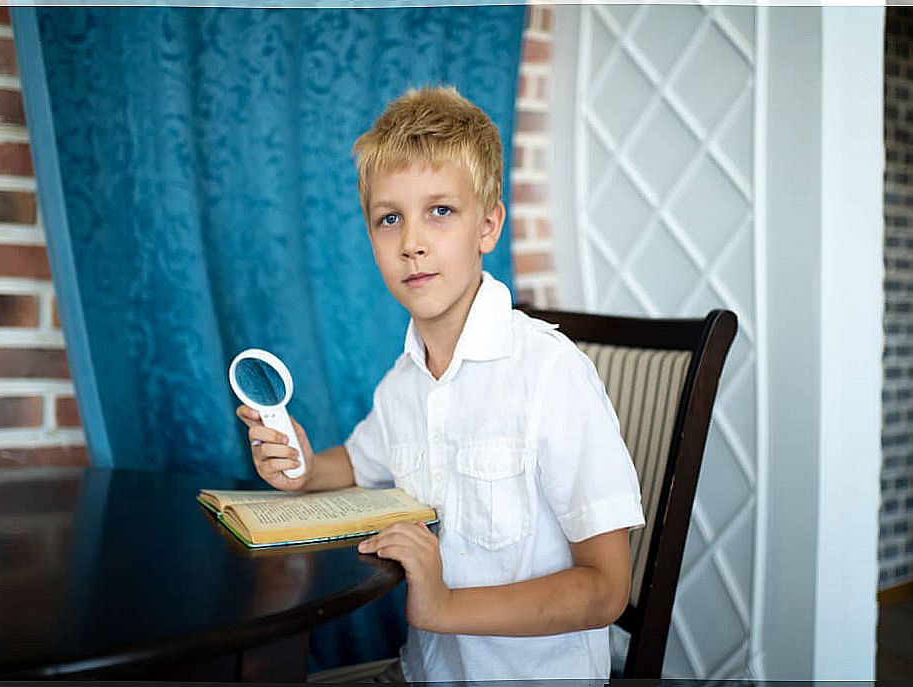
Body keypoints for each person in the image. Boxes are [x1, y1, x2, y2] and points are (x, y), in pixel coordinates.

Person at [236, 86, 645, 682]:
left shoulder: (550, 374)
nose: (412, 242)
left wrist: (447, 606)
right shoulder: (403, 381)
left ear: (489, 225)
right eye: (390, 218)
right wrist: (299, 463)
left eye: (441, 211)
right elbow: (351, 463)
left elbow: (606, 588)